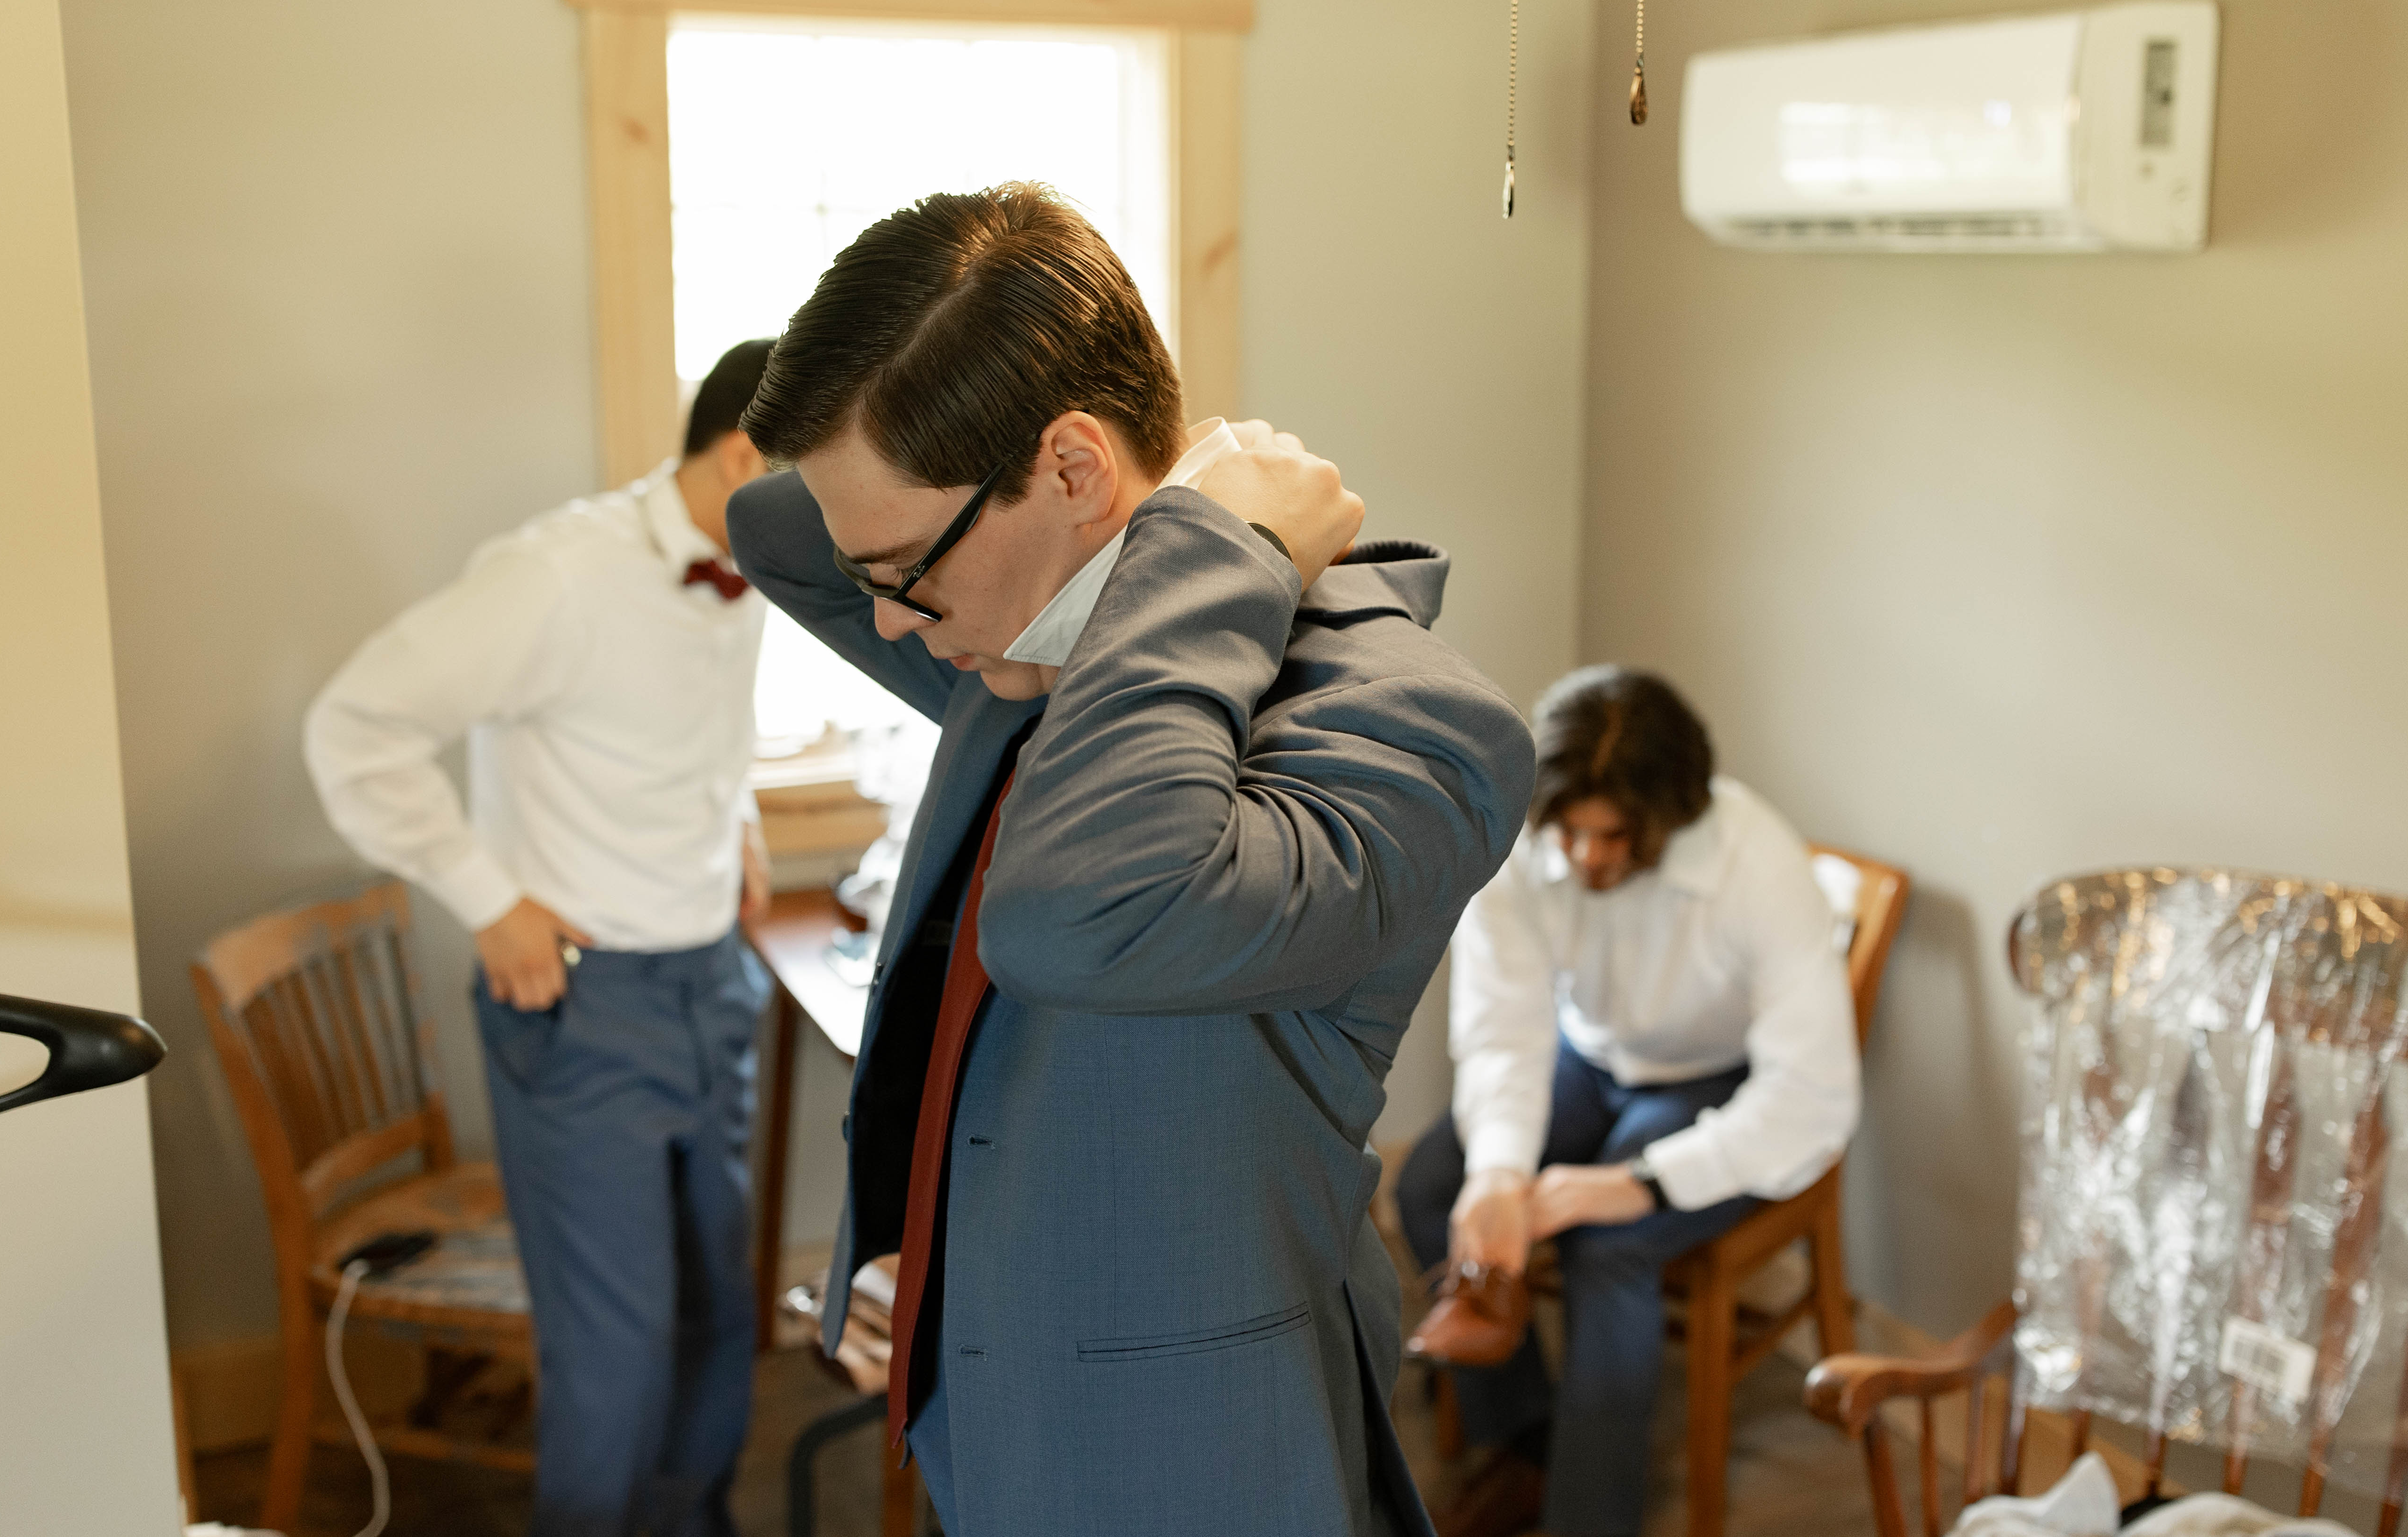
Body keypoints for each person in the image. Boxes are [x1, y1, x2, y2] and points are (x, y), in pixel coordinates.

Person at [725, 183, 1536, 1537]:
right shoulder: (1024, 642)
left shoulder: (1410, 722)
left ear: (1074, 470)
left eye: (903, 574)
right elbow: (768, 529)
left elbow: (1081, 914)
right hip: (989, 1416)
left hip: (1191, 1467)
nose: (883, 620)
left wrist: (1210, 542)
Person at [304, 338, 782, 1537]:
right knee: (614, 1357)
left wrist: (743, 821)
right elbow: (354, 727)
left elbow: (683, 726)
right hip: (586, 1010)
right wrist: (487, 897)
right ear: (742, 457)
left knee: (720, 1318)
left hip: (713, 984)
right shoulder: (557, 576)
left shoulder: (753, 558)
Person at [1395, 666, 1860, 1537]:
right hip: (1589, 1054)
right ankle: (1529, 1444)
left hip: (1716, 1079)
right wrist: (1499, 1170)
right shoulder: (1522, 842)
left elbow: (1812, 1095)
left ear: (1673, 815)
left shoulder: (1757, 865)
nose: (1585, 857)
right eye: (1570, 832)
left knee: (1605, 1240)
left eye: (1614, 837)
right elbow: (1506, 1028)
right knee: (1432, 1185)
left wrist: (1638, 1183)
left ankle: (1591, 1516)